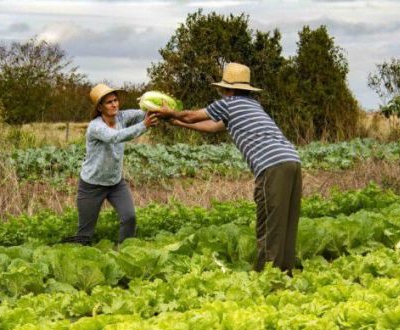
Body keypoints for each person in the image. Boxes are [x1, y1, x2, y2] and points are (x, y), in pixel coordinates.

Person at [155, 62, 302, 275]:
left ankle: (268, 277)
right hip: (292, 161)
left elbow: (191, 115)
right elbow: (213, 127)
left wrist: (172, 113)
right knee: (286, 221)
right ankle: (286, 273)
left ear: (228, 89)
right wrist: (178, 123)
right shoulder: (251, 105)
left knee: (269, 224)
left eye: (223, 88)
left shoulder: (230, 103)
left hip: (272, 166)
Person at [69, 83, 158, 245]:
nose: (114, 104)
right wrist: (144, 126)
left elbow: (143, 113)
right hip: (92, 185)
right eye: (109, 102)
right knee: (84, 234)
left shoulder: (122, 117)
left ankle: (125, 251)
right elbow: (116, 137)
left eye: (115, 100)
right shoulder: (96, 127)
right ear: (100, 108)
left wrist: (159, 108)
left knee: (129, 217)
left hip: (115, 183)